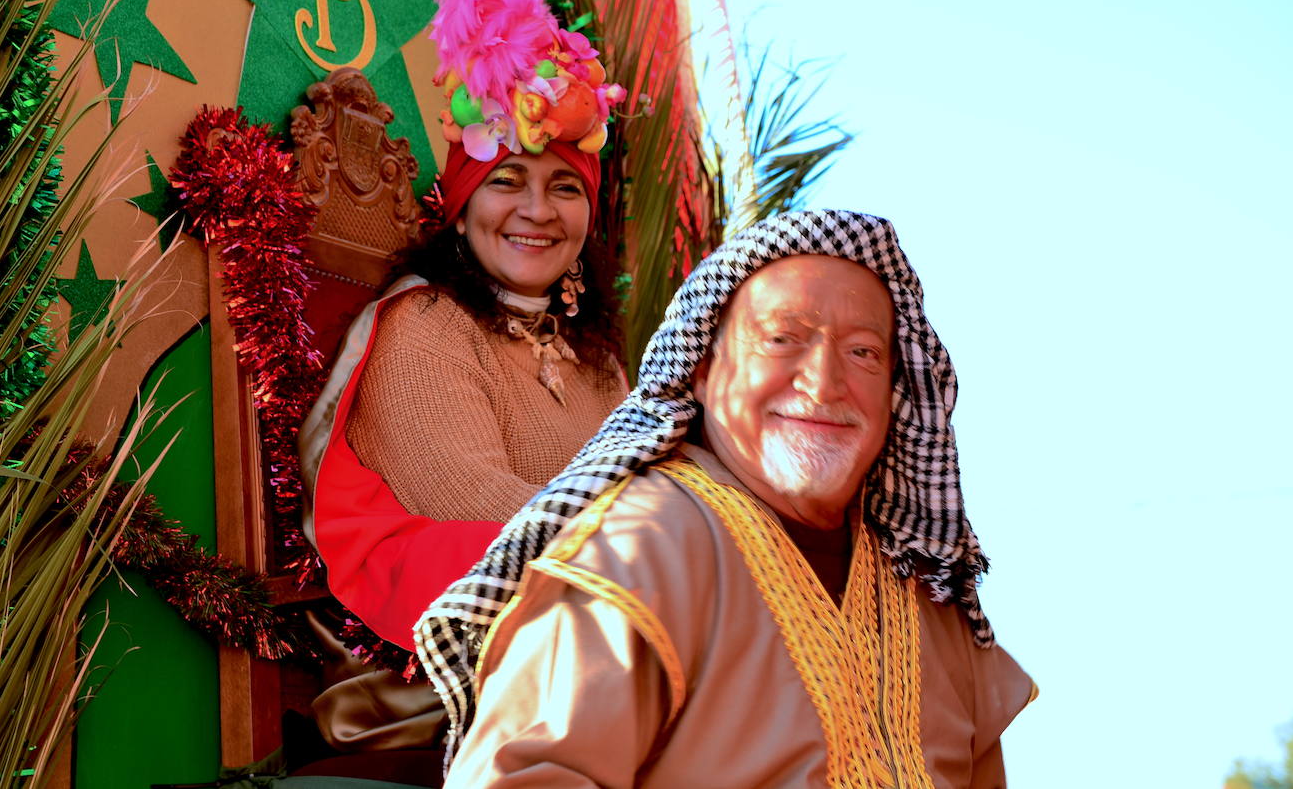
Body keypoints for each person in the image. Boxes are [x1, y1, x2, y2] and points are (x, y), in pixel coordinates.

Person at [417, 210, 1036, 788]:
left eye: (863, 353)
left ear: (895, 395)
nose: (823, 382)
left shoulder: (935, 609)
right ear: (704, 373)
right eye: (782, 339)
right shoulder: (640, 544)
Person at [294, 0, 628, 769]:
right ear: (465, 202)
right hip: (455, 670)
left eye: (566, 188)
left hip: (596, 638)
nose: (536, 212)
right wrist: (661, 558)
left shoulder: (599, 364)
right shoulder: (424, 325)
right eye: (507, 180)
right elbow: (489, 508)